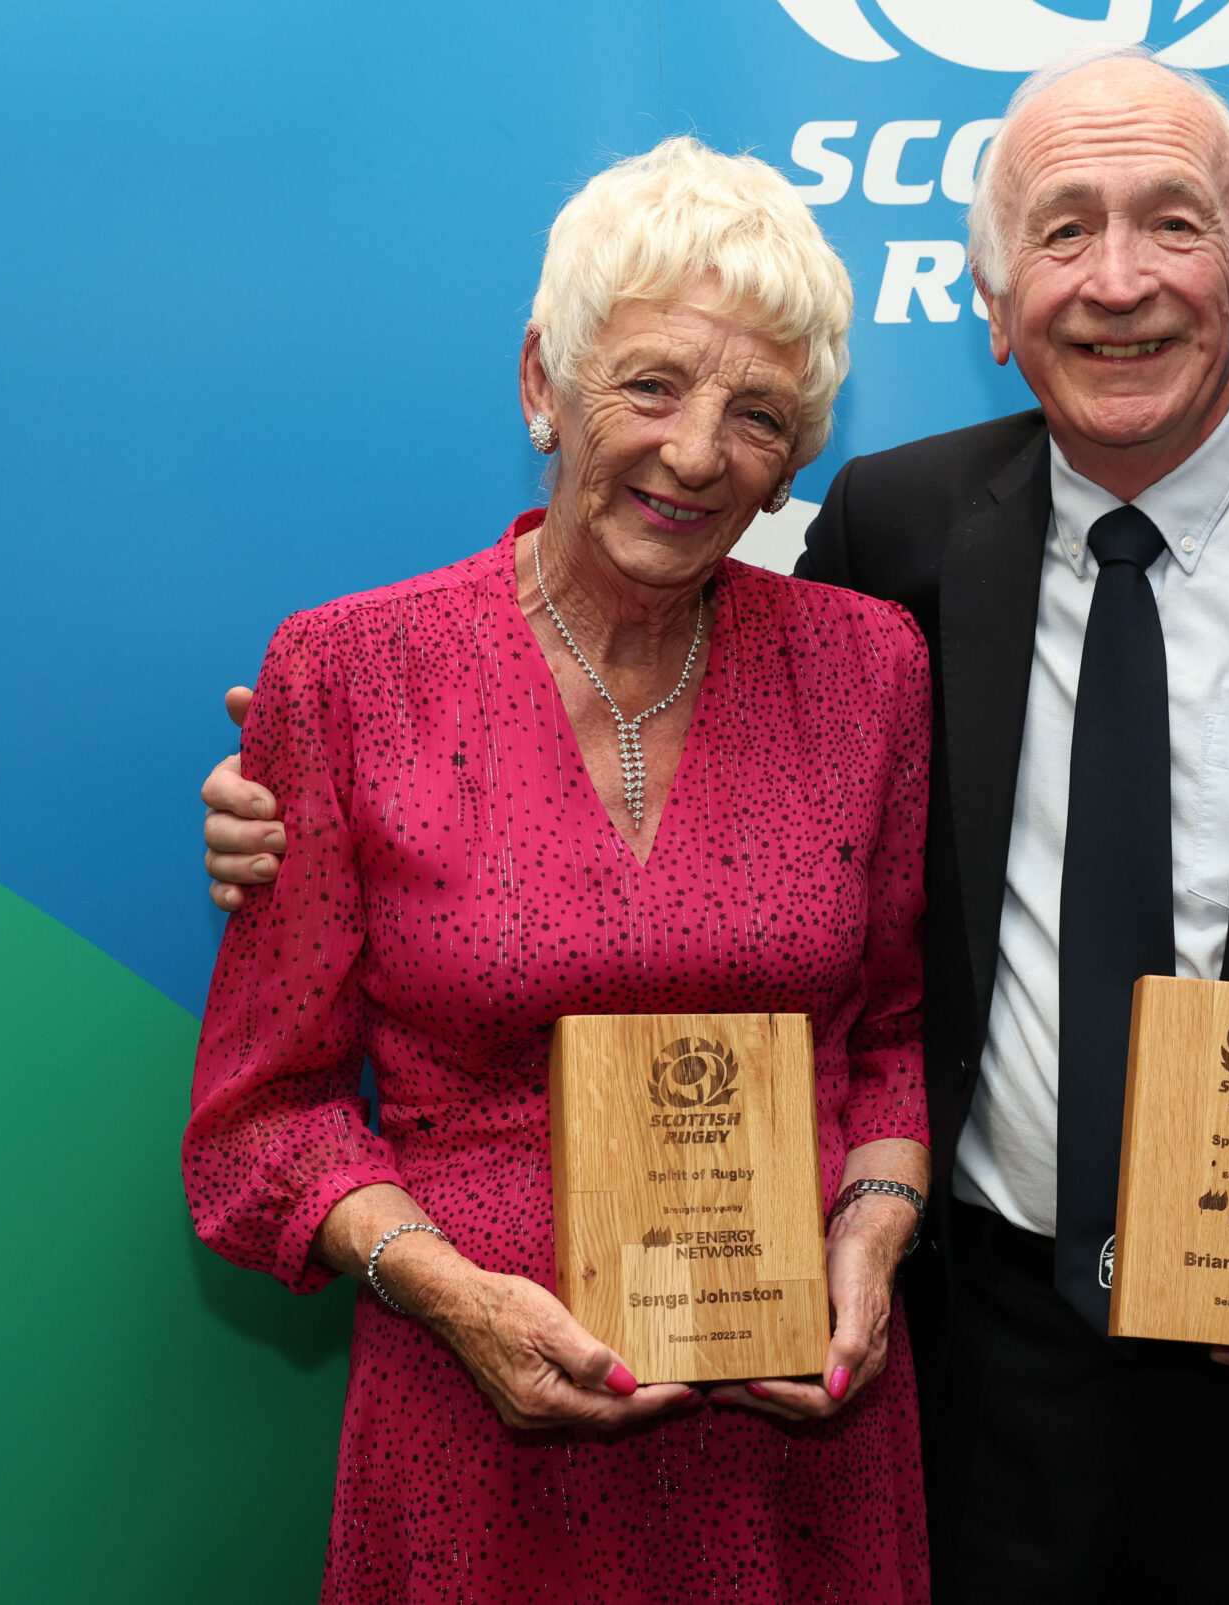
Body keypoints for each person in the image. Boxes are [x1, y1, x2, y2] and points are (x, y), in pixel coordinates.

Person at [209, 48, 1229, 1604]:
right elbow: (655, 764)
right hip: (971, 1383)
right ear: (995, 308)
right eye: (1063, 232)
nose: (1119, 281)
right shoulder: (901, 538)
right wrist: (302, 793)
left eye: (1175, 223)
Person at [185, 136, 933, 1605]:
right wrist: (449, 1292)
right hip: (475, 1431)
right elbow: (262, 1120)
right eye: (651, 385)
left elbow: (895, 1037)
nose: (698, 453)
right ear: (545, 379)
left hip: (798, 1446)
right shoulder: (350, 673)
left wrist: (874, 1232)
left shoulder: (870, 667)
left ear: (800, 453)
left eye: (759, 413)